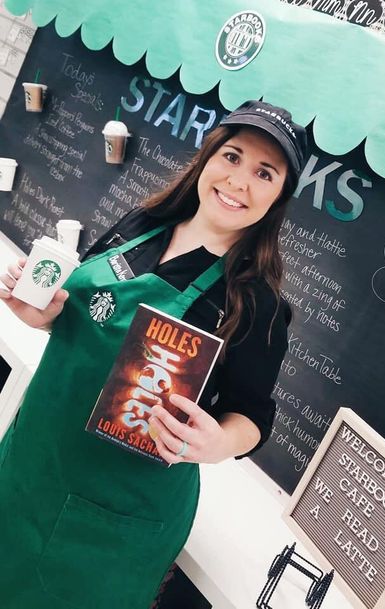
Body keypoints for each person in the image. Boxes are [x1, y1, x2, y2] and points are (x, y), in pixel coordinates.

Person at [0, 100, 307, 609]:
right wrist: (41, 313)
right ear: (208, 157)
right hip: (34, 461)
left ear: (278, 197)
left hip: (112, 523)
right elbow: (78, 314)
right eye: (231, 157)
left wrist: (215, 444)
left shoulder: (255, 303)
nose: (238, 182)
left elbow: (252, 416)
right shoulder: (142, 223)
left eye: (264, 172)